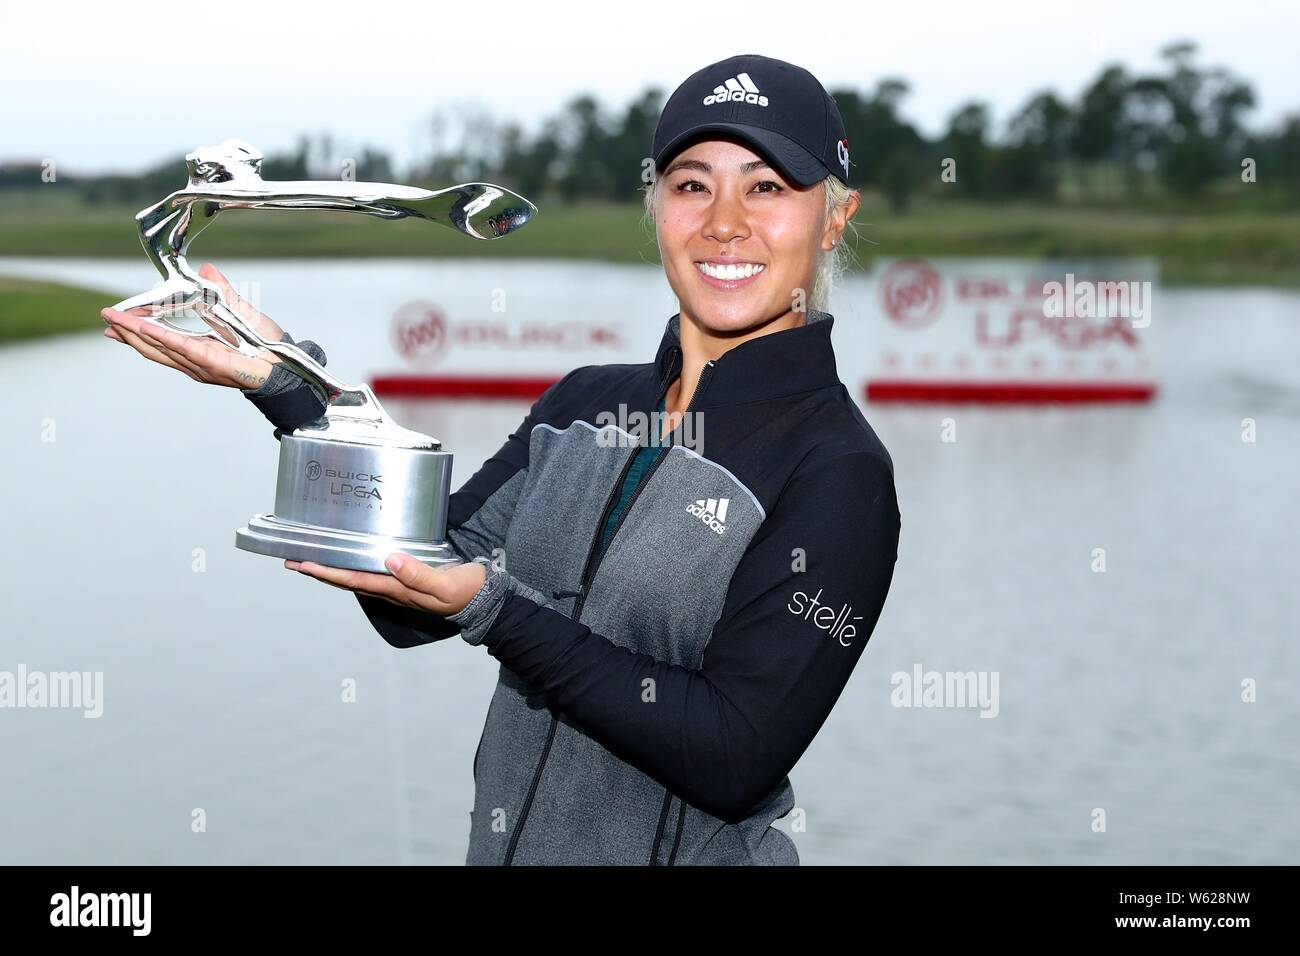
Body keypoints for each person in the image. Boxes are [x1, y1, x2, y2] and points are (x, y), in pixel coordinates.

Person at [101, 53, 901, 866]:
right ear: (656, 204)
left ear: (834, 218)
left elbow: (733, 757)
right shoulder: (584, 404)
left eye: (766, 187)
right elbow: (411, 596)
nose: (724, 222)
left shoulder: (840, 471)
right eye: (691, 184)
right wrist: (293, 387)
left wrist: (495, 610)